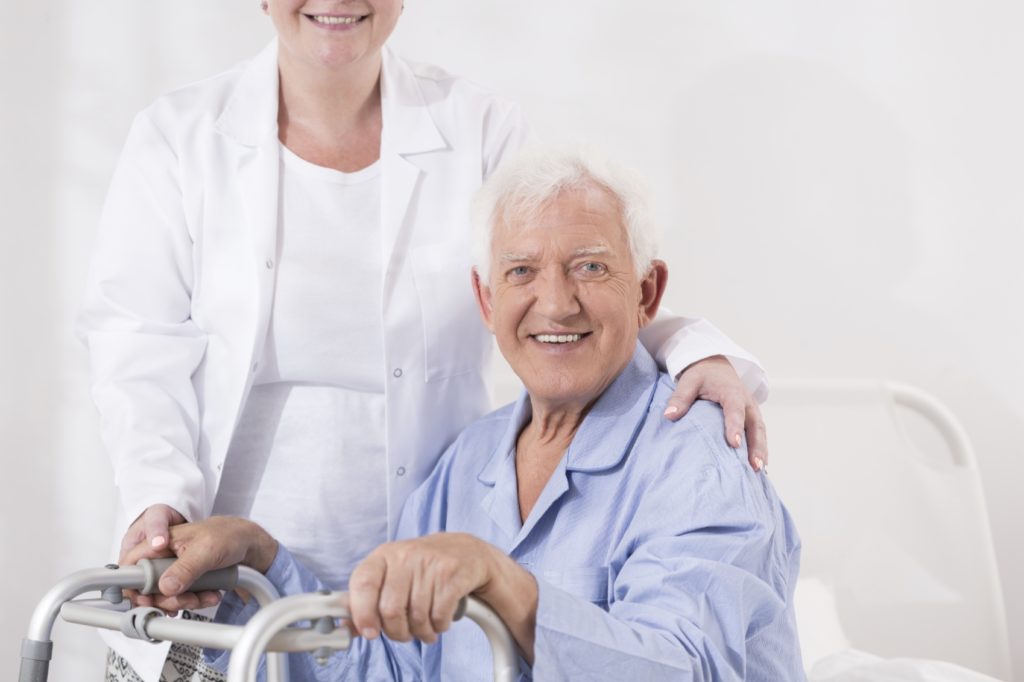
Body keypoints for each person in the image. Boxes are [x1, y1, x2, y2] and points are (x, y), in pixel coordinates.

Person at [81, 2, 770, 679]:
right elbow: (133, 340)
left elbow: (565, 254)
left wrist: (693, 348)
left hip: (413, 559)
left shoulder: (477, 124)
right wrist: (164, 502)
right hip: (225, 567)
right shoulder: (179, 134)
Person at [134, 148, 804, 681]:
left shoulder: (701, 458)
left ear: (648, 291)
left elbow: (687, 669)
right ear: (486, 302)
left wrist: (506, 585)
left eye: (591, 268)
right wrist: (261, 566)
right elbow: (388, 670)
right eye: (521, 273)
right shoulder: (468, 465)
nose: (556, 304)